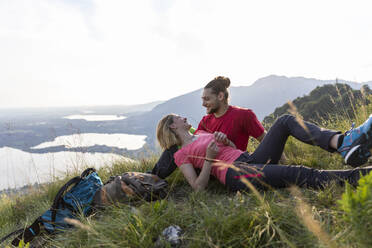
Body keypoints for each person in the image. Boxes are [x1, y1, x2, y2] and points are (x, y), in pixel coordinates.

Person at [156, 113, 372, 191]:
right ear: (172, 126)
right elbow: (198, 187)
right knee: (298, 173)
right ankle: (363, 176)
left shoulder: (202, 132)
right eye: (179, 118)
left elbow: (234, 150)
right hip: (235, 175)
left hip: (248, 158)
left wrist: (227, 141)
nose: (184, 118)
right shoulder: (180, 154)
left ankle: (342, 142)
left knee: (285, 121)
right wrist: (209, 160)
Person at [151, 76, 266, 178]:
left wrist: (282, 161)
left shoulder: (244, 115)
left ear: (220, 96)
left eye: (207, 99)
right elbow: (193, 142)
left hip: (235, 164)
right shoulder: (205, 121)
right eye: (202, 99)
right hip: (208, 169)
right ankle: (151, 178)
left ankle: (150, 178)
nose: (203, 104)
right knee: (174, 147)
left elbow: (265, 140)